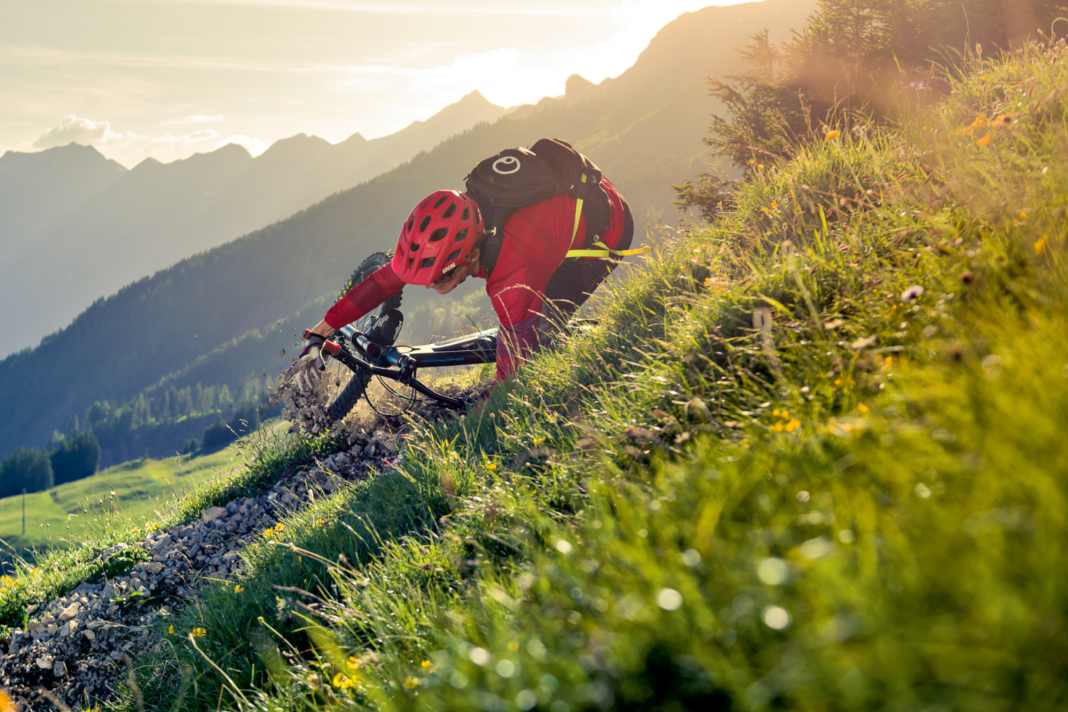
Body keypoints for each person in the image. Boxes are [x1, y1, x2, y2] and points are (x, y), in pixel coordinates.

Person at [293, 170, 636, 394]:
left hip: (602, 232)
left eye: (438, 277)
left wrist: (490, 405)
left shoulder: (510, 273)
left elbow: (510, 385)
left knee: (536, 334)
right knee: (520, 325)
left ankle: (561, 340)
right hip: (558, 207)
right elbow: (382, 282)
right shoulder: (462, 226)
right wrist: (323, 329)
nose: (429, 285)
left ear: (469, 256)